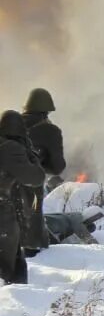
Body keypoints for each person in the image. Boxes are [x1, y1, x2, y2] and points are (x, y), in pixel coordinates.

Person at [0, 111, 46, 284]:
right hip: (2, 214)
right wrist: (31, 155)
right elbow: (35, 177)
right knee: (8, 267)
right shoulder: (11, 149)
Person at [20, 88, 65, 256]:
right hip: (30, 182)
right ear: (47, 110)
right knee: (32, 228)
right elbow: (57, 167)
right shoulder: (50, 131)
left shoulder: (8, 125)